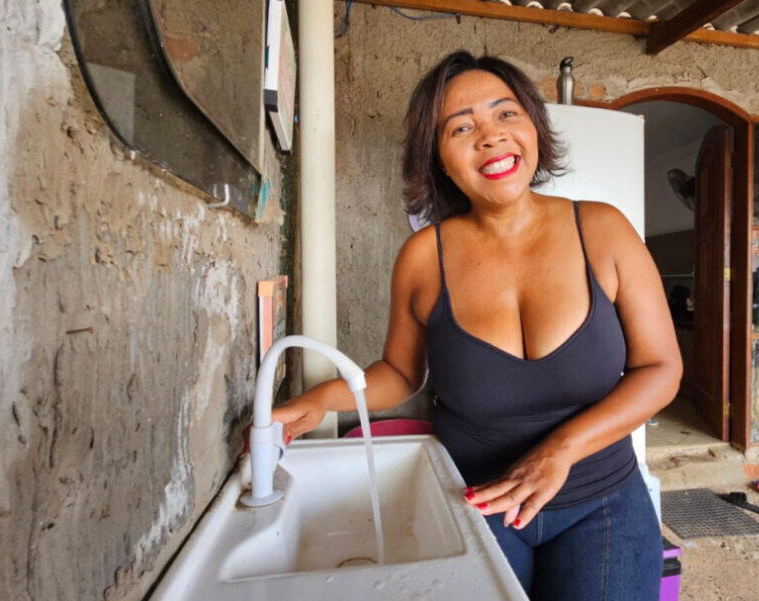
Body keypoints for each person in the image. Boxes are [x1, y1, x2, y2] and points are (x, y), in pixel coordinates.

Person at [273, 51, 682, 600]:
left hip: (602, 501)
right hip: (475, 502)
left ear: (533, 126)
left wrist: (560, 450)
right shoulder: (424, 258)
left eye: (505, 113)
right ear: (439, 159)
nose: (490, 137)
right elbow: (401, 372)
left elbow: (661, 368)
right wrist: (322, 399)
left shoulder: (604, 231)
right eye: (461, 128)